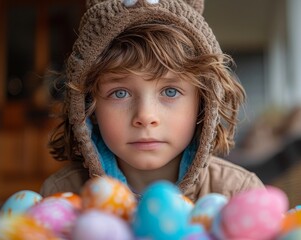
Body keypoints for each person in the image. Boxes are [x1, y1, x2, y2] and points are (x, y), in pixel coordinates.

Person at [40, 0, 264, 202]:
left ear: (203, 103)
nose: (145, 116)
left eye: (170, 92)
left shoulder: (239, 194)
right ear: (89, 106)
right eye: (120, 93)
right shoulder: (61, 197)